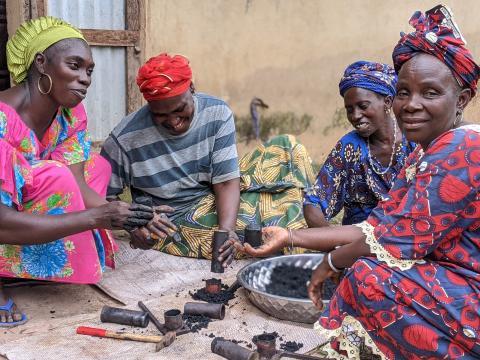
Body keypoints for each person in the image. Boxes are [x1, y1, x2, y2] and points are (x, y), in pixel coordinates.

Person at [238, 5, 480, 358]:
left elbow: (390, 240)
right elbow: (375, 227)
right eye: (404, 92)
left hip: (463, 282)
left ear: (461, 100)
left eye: (430, 93)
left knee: (368, 276)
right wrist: (290, 236)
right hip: (425, 262)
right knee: (365, 269)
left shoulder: (459, 148)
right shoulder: (418, 149)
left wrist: (333, 261)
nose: (411, 105)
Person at [0, 16, 155, 327]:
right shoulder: (2, 120)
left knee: (95, 168)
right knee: (54, 175)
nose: (85, 78)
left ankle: (37, 262)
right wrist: (97, 218)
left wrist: (128, 214)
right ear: (41, 63)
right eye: (74, 66)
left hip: (29, 198)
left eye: (89, 71)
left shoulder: (70, 114)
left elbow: (77, 181)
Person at [101, 53, 315, 264]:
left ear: (192, 89)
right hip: (177, 219)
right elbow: (104, 201)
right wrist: (136, 224)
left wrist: (226, 231)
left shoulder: (217, 113)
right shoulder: (124, 140)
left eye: (180, 109)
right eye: (160, 115)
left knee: (289, 149)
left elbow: (226, 181)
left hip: (214, 192)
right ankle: (303, 231)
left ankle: (300, 221)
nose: (174, 122)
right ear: (149, 105)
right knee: (268, 228)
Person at [303, 61, 416, 227]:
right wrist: (335, 244)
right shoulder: (349, 147)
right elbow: (313, 203)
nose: (355, 115)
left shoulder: (414, 142)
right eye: (349, 109)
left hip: (407, 242)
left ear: (387, 102)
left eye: (363, 106)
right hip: (356, 244)